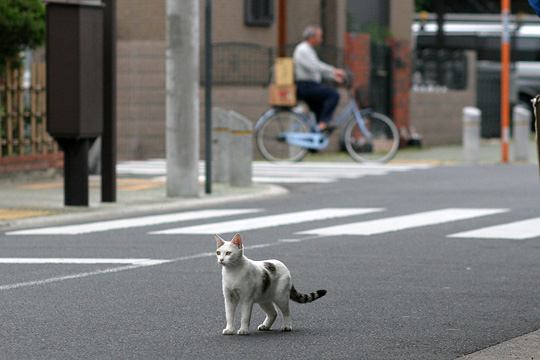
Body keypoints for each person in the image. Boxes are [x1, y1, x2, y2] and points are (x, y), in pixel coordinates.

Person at [293, 25, 346, 132]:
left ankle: (314, 141)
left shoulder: (308, 49)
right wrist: (334, 71)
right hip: (306, 86)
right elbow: (315, 66)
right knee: (333, 94)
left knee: (319, 110)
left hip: (308, 86)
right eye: (319, 36)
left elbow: (316, 69)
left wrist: (333, 76)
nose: (321, 39)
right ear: (312, 37)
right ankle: (323, 124)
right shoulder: (303, 49)